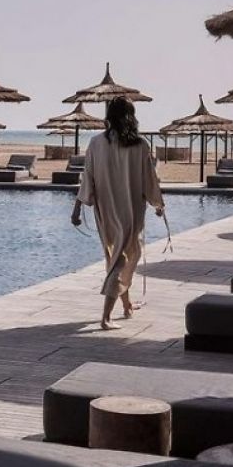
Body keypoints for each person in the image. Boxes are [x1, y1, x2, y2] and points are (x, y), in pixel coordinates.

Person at [70, 96, 165, 330]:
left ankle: (127, 305)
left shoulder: (95, 143)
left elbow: (87, 178)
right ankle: (106, 317)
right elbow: (149, 179)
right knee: (125, 257)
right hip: (129, 211)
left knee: (116, 257)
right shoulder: (140, 145)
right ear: (131, 117)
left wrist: (77, 208)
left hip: (106, 211)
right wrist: (158, 204)